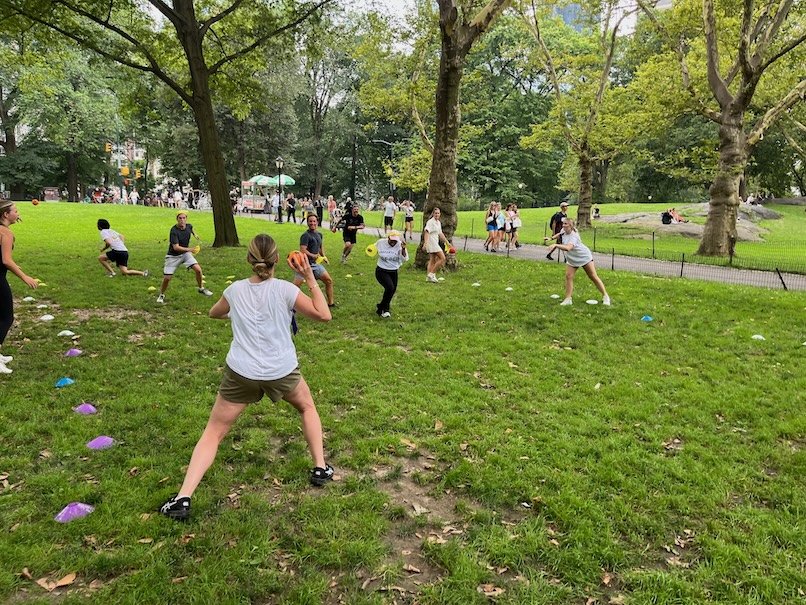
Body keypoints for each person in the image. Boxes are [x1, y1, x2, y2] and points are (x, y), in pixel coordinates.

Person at [159, 234, 334, 520]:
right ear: (278, 260)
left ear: (248, 260)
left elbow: (214, 313)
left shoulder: (235, 291)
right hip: (282, 371)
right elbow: (323, 314)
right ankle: (320, 467)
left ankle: (183, 497)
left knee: (214, 432)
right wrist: (309, 278)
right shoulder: (285, 291)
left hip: (241, 372)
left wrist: (236, 312)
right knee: (307, 407)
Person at [0, 201, 39, 374]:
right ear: (5, 215)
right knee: (6, 318)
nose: (18, 213)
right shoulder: (6, 233)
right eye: (15, 211)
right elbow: (6, 260)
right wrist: (25, 277)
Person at [544, 218, 610, 306]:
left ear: (571, 226)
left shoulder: (574, 236)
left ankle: (605, 296)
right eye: (563, 223)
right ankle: (568, 299)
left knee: (593, 276)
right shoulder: (563, 230)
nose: (563, 225)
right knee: (568, 276)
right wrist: (551, 238)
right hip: (572, 259)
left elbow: (568, 248)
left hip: (583, 257)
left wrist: (556, 245)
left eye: (566, 224)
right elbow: (560, 234)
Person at [157, 212, 212, 303]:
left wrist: (196, 235)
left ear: (186, 219)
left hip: (185, 254)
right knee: (167, 278)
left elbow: (191, 229)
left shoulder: (189, 226)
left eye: (184, 218)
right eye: (180, 218)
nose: (182, 220)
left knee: (198, 270)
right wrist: (190, 249)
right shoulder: (174, 231)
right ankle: (161, 294)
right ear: (177, 219)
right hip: (173, 256)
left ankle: (201, 288)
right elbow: (176, 247)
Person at [293, 215, 335, 307]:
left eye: (314, 221)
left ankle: (331, 304)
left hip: (314, 264)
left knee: (328, 281)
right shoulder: (305, 236)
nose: (312, 223)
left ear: (317, 222)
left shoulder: (319, 234)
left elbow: (320, 247)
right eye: (310, 221)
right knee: (295, 287)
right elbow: (303, 250)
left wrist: (324, 256)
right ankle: (291, 306)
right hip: (303, 265)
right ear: (307, 223)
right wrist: (313, 255)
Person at [374, 230, 408, 318]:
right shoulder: (381, 242)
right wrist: (371, 251)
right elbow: (371, 249)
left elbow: (405, 259)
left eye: (395, 241)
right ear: (388, 238)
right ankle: (385, 309)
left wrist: (403, 249)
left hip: (393, 271)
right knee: (390, 288)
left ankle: (381, 307)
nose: (393, 242)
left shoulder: (400, 245)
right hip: (381, 270)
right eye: (391, 240)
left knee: (392, 290)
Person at [423, 207, 449, 283]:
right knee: (442, 258)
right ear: (433, 214)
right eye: (435, 213)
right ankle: (431, 274)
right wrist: (426, 243)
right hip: (431, 242)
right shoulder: (430, 222)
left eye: (438, 213)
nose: (437, 214)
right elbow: (426, 232)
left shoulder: (438, 223)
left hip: (435, 241)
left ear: (440, 214)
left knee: (432, 260)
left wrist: (447, 242)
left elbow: (440, 234)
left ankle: (428, 277)